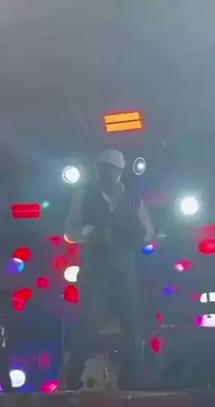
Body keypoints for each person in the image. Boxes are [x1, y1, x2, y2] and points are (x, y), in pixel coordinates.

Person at [63, 149, 155, 390]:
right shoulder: (85, 196)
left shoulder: (133, 199)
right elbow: (69, 231)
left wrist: (132, 237)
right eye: (100, 169)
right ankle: (72, 378)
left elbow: (148, 231)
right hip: (95, 273)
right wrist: (91, 233)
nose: (103, 174)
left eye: (108, 170)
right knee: (88, 326)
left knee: (131, 326)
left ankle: (130, 382)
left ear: (119, 172)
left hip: (124, 271)